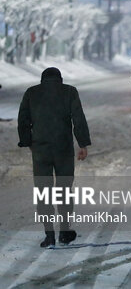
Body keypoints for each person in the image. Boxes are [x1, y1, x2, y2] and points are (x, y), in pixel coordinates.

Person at [17, 67, 91, 247]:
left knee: (43, 192)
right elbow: (78, 119)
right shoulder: (69, 92)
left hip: (40, 150)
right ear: (60, 79)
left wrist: (28, 142)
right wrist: (83, 144)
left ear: (43, 80)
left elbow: (23, 120)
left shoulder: (31, 93)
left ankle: (49, 234)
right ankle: (64, 232)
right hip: (63, 149)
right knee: (64, 190)